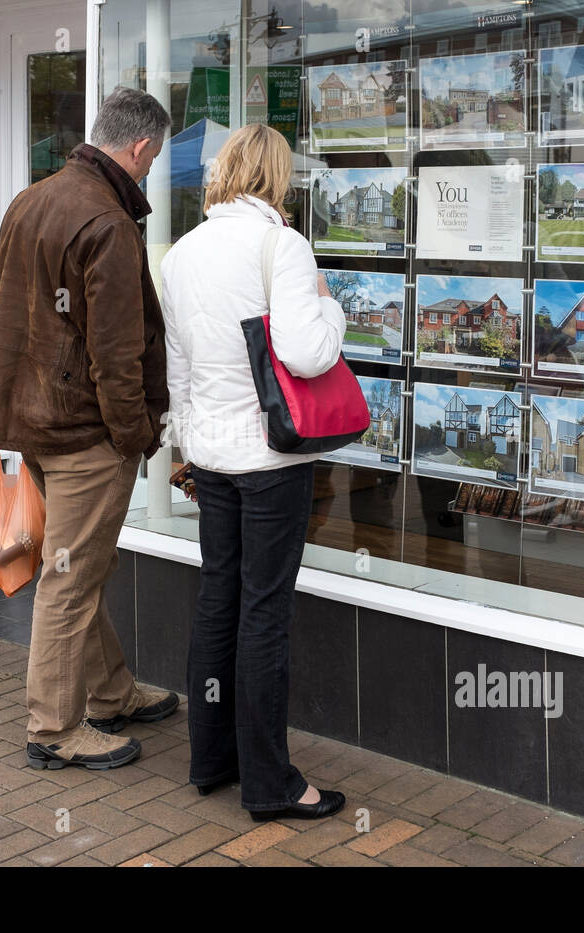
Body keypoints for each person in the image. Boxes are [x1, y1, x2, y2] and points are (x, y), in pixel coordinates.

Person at [0, 87, 179, 771]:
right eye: (154, 158)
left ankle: (113, 694)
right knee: (70, 575)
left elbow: (9, 314)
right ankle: (55, 730)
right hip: (85, 432)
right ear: (142, 146)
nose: (150, 170)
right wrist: (135, 436)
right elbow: (116, 356)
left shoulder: (31, 200)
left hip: (32, 420)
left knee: (78, 565)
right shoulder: (109, 223)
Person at [159, 124, 348, 821]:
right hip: (270, 458)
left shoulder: (182, 254)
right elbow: (305, 354)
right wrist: (332, 306)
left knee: (218, 601)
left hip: (211, 455)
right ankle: (271, 784)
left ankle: (211, 760)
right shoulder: (283, 246)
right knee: (264, 613)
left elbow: (176, 368)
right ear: (278, 177)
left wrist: (186, 444)